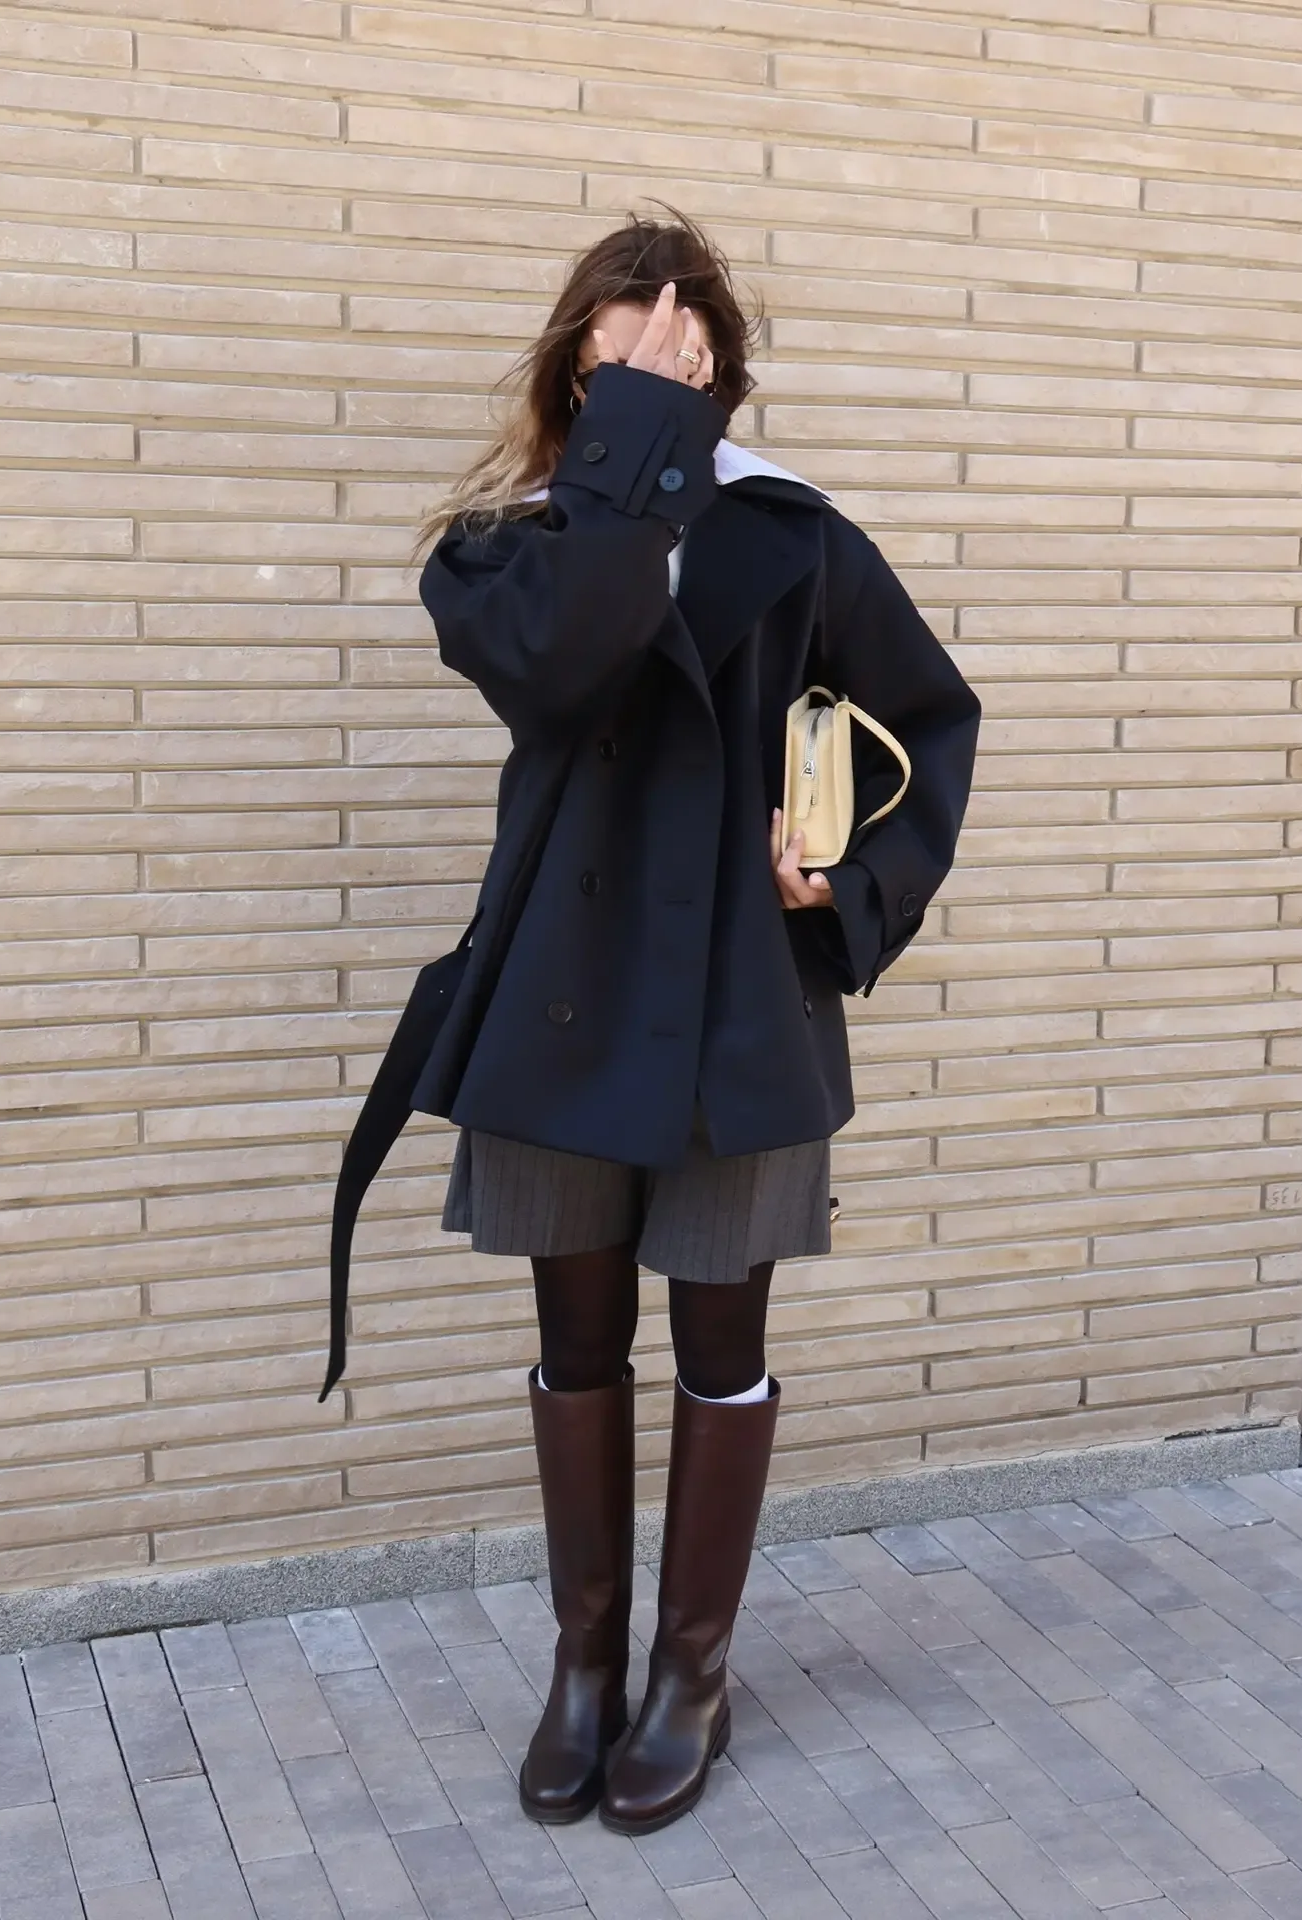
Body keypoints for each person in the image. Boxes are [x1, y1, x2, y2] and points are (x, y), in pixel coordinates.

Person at [410, 213, 980, 1835]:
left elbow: (930, 721)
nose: (651, 379)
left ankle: (691, 1676)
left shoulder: (797, 538)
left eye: (678, 356)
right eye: (619, 360)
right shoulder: (503, 550)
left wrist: (848, 883)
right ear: (574, 375)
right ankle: (584, 1668)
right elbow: (560, 668)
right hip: (562, 1001)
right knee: (576, 1344)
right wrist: (634, 454)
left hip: (740, 1007)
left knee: (722, 1352)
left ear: (721, 368)